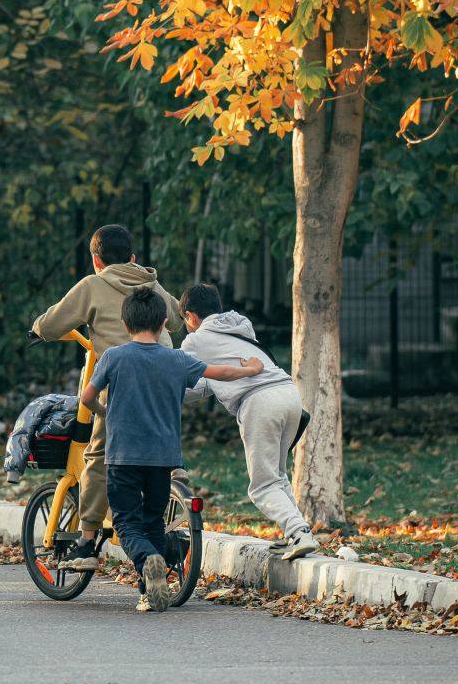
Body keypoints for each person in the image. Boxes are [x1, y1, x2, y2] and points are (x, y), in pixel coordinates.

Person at [81, 285, 264, 612]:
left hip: (123, 456)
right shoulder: (176, 359)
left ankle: (147, 558)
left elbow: (87, 397)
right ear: (165, 322)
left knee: (126, 522)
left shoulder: (113, 357)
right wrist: (250, 369)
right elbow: (218, 372)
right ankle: (149, 590)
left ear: (125, 324)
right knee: (153, 519)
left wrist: (102, 410)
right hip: (163, 458)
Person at [30, 223, 181, 570]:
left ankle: (85, 543)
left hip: (122, 384)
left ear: (97, 260)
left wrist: (37, 328)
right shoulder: (150, 282)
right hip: (164, 381)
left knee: (98, 454)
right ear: (132, 257)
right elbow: (174, 320)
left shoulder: (93, 285)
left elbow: (53, 323)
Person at [180, 282, 318, 560]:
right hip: (288, 393)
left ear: (190, 316)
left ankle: (299, 532)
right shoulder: (242, 328)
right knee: (277, 475)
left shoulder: (195, 341)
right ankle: (297, 532)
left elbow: (177, 377)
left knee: (262, 486)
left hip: (260, 402)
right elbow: (208, 383)